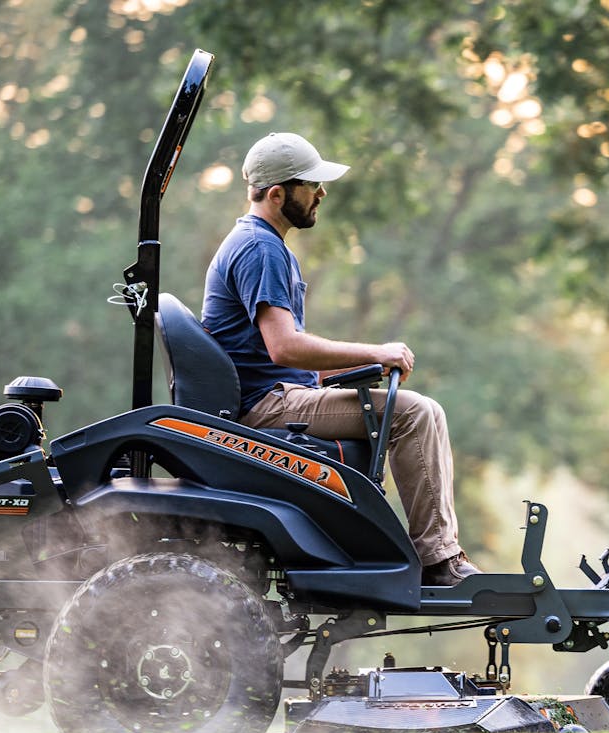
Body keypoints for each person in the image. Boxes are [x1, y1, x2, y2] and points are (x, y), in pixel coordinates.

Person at [201, 132, 481, 587]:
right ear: (277, 194)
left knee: (407, 406)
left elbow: (280, 354)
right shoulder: (260, 249)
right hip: (267, 405)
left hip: (277, 391)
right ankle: (438, 559)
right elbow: (284, 347)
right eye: (312, 185)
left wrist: (364, 367)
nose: (322, 194)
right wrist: (375, 351)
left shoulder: (259, 243)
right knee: (416, 413)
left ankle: (428, 553)